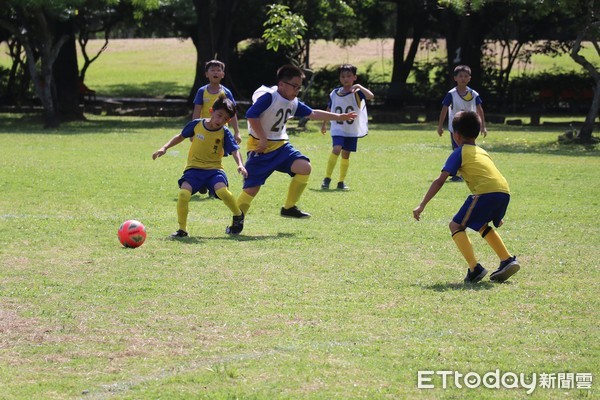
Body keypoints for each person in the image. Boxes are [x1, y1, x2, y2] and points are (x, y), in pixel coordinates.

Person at [237, 64, 357, 222]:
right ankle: (236, 218)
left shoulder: (292, 101)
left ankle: (289, 208)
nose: (297, 90)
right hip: (261, 149)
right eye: (294, 86)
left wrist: (339, 117)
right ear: (281, 84)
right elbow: (251, 115)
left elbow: (312, 113)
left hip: (281, 146)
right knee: (251, 189)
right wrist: (263, 138)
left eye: (299, 87)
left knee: (304, 167)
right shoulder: (269, 97)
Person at [413, 111, 520, 284]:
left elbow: (440, 181)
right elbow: (492, 178)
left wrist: (422, 205)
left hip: (486, 192)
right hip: (503, 192)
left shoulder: (459, 152)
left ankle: (474, 268)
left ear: (456, 135)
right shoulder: (483, 152)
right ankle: (507, 259)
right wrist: (497, 214)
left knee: (455, 225)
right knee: (481, 225)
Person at [152, 94, 248, 237]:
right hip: (193, 169)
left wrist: (240, 164)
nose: (220, 120)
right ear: (211, 111)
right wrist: (164, 147)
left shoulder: (224, 132)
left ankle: (238, 215)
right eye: (219, 115)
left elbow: (235, 150)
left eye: (225, 119)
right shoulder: (197, 124)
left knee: (222, 192)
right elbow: (180, 136)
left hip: (214, 170)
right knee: (184, 194)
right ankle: (182, 230)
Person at [320, 64, 374, 191]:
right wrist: (324, 123)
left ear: (354, 77)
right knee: (337, 149)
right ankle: (327, 178)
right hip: (338, 128)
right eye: (343, 76)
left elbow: (371, 96)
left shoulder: (357, 93)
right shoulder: (334, 93)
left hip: (351, 130)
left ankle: (341, 181)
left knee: (346, 155)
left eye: (349, 76)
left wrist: (359, 86)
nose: (346, 79)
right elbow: (329, 108)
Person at [437, 65, 487, 182]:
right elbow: (444, 109)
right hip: (455, 126)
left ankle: (467, 172)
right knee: (458, 149)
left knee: (469, 150)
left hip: (470, 126)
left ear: (470, 78)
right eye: (460, 76)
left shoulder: (473, 94)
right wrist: (440, 126)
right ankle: (459, 174)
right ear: (455, 78)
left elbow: (480, 109)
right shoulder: (451, 94)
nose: (463, 78)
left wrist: (483, 126)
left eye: (466, 76)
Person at [192, 60, 241, 144]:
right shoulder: (202, 91)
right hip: (205, 127)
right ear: (207, 74)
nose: (216, 73)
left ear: (222, 75)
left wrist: (237, 132)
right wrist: (193, 130)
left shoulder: (226, 92)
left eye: (218, 70)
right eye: (212, 70)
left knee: (217, 152)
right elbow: (196, 112)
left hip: (221, 128)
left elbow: (232, 113)